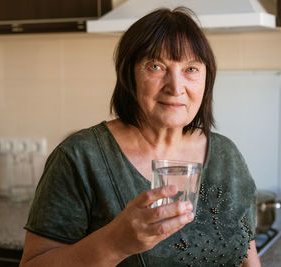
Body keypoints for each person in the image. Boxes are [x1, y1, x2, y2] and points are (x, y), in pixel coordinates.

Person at [19, 7, 260, 267]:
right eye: (156, 66)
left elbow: (248, 255)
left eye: (191, 69)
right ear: (129, 76)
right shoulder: (79, 157)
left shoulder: (227, 155)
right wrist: (114, 243)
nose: (176, 87)